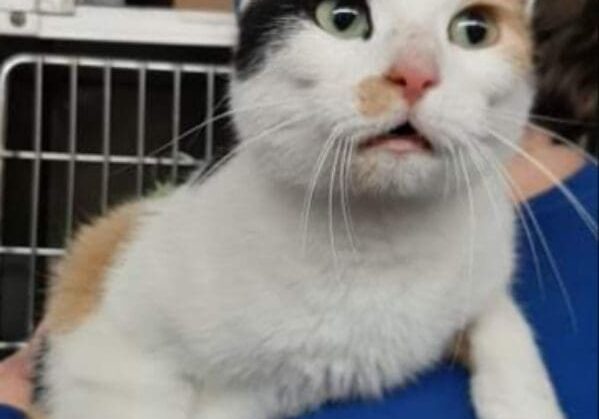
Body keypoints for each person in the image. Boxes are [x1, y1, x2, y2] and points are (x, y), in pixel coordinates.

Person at [0, 0, 596, 417]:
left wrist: (510, 373)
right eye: (345, 16)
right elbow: (113, 340)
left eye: (471, 27)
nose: (416, 73)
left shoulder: (488, 242)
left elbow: (479, 297)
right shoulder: (208, 267)